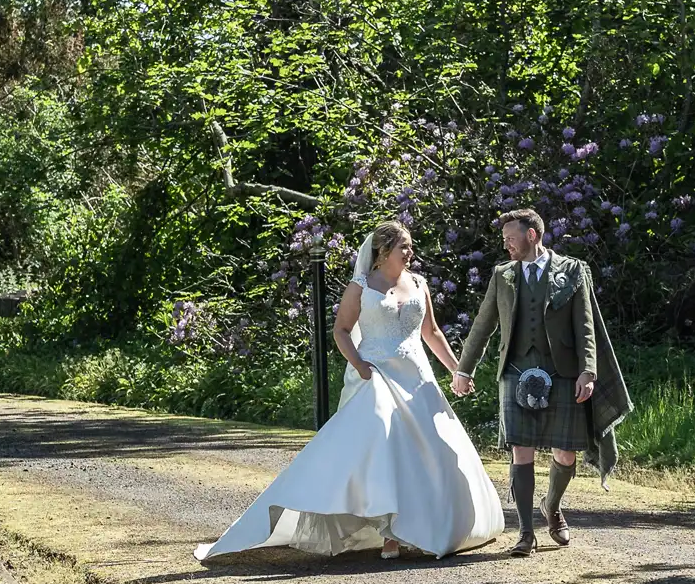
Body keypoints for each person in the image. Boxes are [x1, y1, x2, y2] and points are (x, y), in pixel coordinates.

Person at [195, 221, 504, 561]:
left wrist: (457, 370)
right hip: (376, 377)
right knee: (387, 450)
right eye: (404, 246)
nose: (410, 252)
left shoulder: (418, 284)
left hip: (417, 380)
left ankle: (431, 526)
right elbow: (341, 331)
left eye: (410, 246)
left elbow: (431, 332)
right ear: (383, 251)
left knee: (431, 455)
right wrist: (359, 365)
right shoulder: (360, 287)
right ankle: (390, 534)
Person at [452, 209, 632, 556]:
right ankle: (525, 532)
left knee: (565, 454)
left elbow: (585, 326)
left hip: (562, 373)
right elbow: (483, 324)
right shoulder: (502, 275)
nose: (506, 245)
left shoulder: (573, 271)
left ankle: (551, 506)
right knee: (522, 450)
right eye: (504, 239)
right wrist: (464, 369)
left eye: (511, 238)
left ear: (532, 235)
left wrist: (588, 370)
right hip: (516, 371)